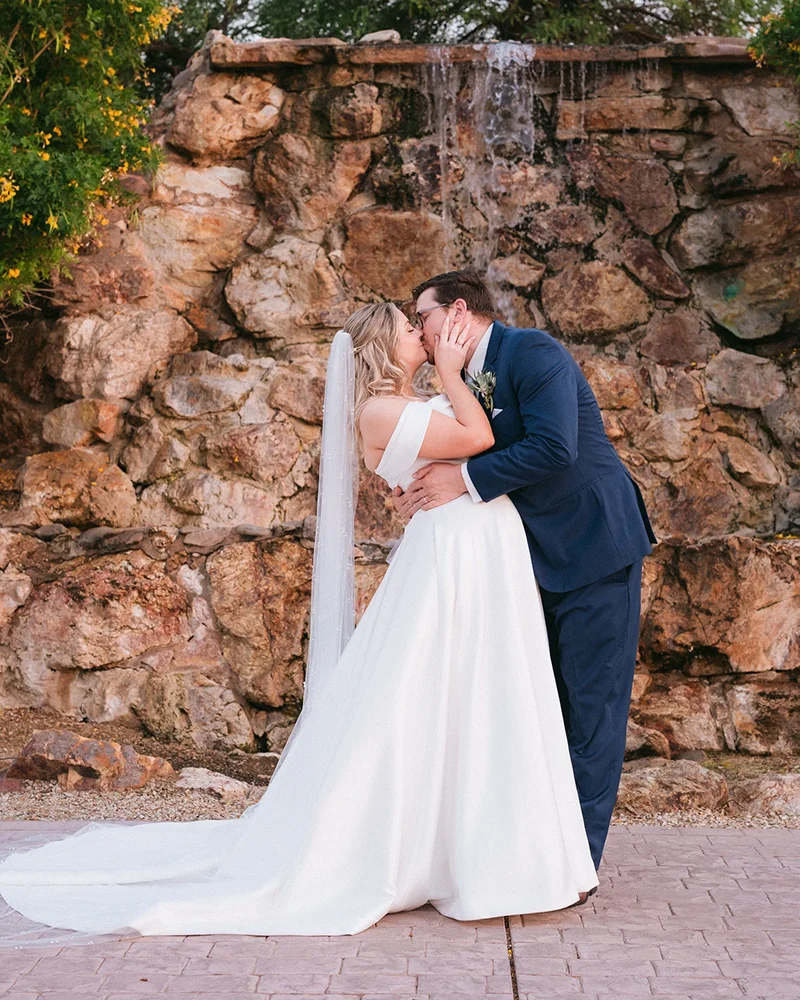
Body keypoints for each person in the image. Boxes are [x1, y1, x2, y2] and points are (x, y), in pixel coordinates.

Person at [0, 300, 597, 949]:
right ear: (382, 347)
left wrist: (448, 388)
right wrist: (453, 371)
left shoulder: (402, 404)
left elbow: (482, 447)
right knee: (437, 689)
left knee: (474, 688)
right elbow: (480, 440)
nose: (420, 334)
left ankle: (475, 840)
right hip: (456, 553)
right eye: (407, 329)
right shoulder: (380, 409)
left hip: (471, 545)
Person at [395, 269, 657, 870]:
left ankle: (578, 864)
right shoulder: (457, 379)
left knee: (592, 709)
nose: (419, 331)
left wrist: (461, 481)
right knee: (536, 705)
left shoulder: (534, 352)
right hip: (525, 562)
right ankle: (534, 847)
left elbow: (554, 448)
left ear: (458, 310)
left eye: (424, 317)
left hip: (595, 548)